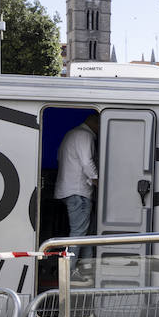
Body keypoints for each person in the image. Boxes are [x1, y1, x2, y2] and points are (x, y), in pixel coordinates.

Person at [55, 113, 100, 279]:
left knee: (85, 233)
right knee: (79, 233)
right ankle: (69, 272)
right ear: (96, 124)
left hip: (69, 190)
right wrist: (98, 181)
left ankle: (87, 267)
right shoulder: (85, 135)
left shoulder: (71, 134)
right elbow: (87, 163)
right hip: (78, 192)